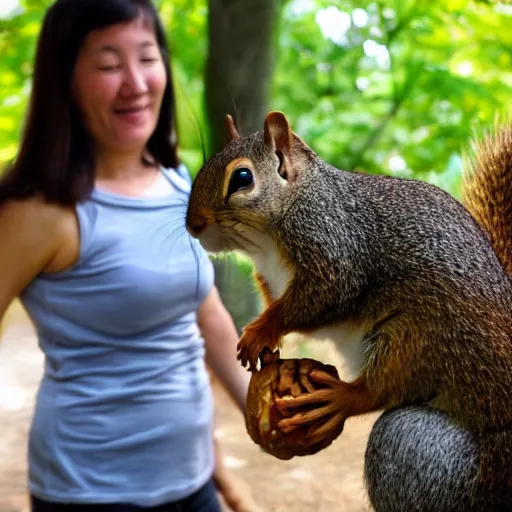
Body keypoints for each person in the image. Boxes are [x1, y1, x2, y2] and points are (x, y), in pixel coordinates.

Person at [0, 0, 256, 510]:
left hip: (193, 482)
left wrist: (267, 411)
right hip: (90, 493)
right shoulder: (40, 209)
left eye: (147, 56)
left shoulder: (178, 180)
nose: (136, 82)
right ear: (65, 80)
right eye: (109, 64)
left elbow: (206, 317)